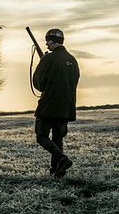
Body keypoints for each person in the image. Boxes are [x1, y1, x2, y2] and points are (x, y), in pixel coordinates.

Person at [33, 28, 80, 178]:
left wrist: (43, 64)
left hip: (49, 105)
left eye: (48, 41)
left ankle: (61, 159)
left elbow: (39, 84)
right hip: (66, 107)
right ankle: (58, 170)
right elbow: (74, 82)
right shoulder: (73, 60)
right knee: (58, 139)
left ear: (53, 42)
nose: (46, 44)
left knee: (41, 136)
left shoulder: (48, 59)